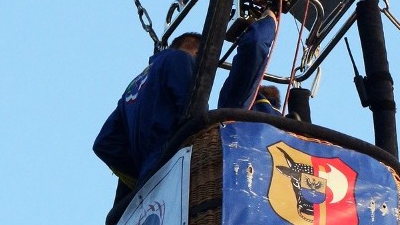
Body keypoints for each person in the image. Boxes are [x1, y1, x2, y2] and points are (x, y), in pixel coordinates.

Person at [94, 12, 276, 190]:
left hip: (152, 182)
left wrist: (145, 174)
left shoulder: (133, 87)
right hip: (184, 163)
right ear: (198, 53)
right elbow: (192, 112)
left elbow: (105, 143)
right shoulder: (180, 59)